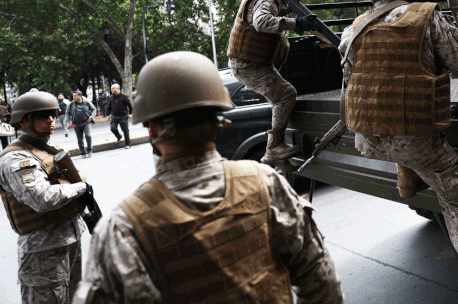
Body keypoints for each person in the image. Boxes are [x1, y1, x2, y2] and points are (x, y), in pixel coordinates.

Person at [72, 51, 344, 304]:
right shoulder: (265, 182)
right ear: (219, 122)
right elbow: (321, 282)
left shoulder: (124, 226)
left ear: (151, 130)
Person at [339, 0, 458, 304]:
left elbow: (353, 80)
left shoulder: (351, 29)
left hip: (367, 135)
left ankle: (407, 177)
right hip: (410, 136)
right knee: (457, 188)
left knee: (405, 143)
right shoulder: (426, 16)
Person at [0, 91, 93, 304]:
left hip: (69, 239)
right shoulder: (16, 158)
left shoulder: (51, 148)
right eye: (42, 116)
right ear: (23, 122)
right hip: (42, 251)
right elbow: (42, 198)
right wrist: (81, 188)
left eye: (53, 114)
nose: (51, 120)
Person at [227, 0, 316, 167]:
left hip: (253, 62)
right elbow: (262, 22)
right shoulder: (266, 0)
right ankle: (273, 148)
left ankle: (278, 154)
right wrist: (297, 23)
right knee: (285, 94)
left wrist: (286, 11)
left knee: (281, 94)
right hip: (248, 65)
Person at [66, 91, 96, 158]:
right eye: (73, 96)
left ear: (80, 96)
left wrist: (91, 116)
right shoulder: (71, 104)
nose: (74, 97)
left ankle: (89, 150)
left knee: (88, 136)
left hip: (86, 122)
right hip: (76, 124)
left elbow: (94, 109)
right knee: (80, 139)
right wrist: (67, 123)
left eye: (75, 96)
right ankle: (83, 152)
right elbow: (67, 113)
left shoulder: (86, 102)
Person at [106, 84, 132, 149]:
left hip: (123, 115)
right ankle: (119, 137)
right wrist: (107, 115)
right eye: (111, 88)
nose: (111, 90)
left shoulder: (124, 96)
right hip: (114, 116)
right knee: (113, 128)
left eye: (113, 88)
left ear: (117, 88)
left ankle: (128, 144)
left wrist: (130, 113)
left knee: (125, 130)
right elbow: (109, 107)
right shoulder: (111, 97)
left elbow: (130, 105)